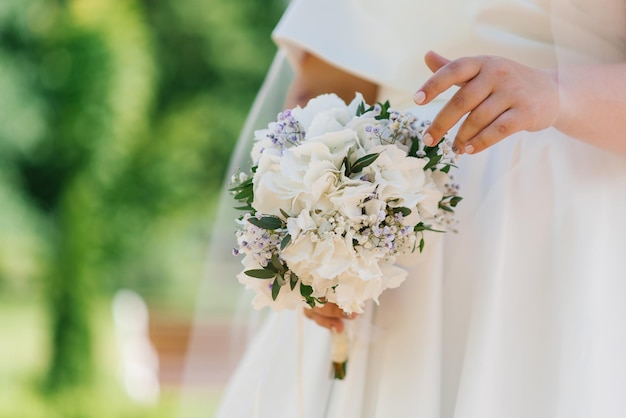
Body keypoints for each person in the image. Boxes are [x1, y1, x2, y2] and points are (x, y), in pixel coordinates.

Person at [184, 0, 626, 417]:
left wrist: (558, 93)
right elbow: (321, 97)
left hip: (571, 233)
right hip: (387, 246)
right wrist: (310, 246)